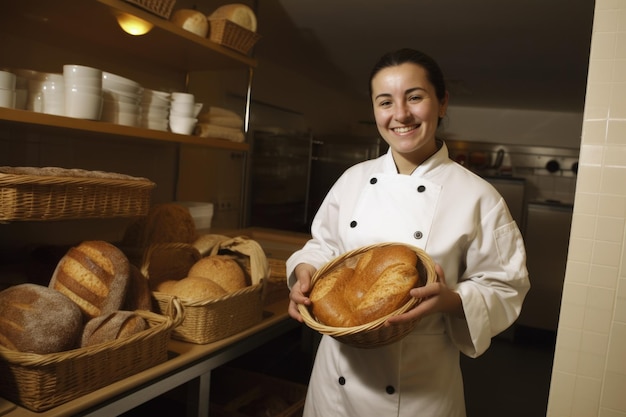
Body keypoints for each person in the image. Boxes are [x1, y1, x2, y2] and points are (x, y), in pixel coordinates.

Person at [286, 48, 530, 417]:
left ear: (442, 102)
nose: (400, 114)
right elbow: (323, 247)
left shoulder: (479, 197)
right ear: (374, 110)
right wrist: (304, 272)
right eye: (385, 102)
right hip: (335, 378)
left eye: (414, 97)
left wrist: (451, 299)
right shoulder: (352, 180)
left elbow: (506, 286)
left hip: (419, 388)